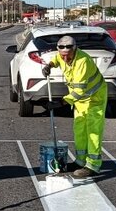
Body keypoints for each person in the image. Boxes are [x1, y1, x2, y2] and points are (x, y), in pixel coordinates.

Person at [41, 35, 107, 179]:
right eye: (62, 55)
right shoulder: (62, 56)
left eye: (68, 56)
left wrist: (61, 102)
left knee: (93, 131)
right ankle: (80, 161)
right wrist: (49, 66)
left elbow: (80, 91)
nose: (65, 59)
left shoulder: (82, 61)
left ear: (75, 50)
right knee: (79, 129)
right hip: (80, 101)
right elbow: (57, 60)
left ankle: (93, 165)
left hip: (94, 98)